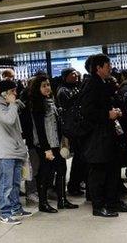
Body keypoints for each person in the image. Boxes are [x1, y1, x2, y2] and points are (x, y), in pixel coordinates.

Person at [82, 54, 127, 217]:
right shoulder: (92, 84)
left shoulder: (103, 83)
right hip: (97, 136)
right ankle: (98, 206)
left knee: (112, 169)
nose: (110, 67)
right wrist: (107, 114)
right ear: (98, 68)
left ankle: (112, 202)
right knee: (99, 172)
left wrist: (114, 111)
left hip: (108, 134)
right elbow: (87, 112)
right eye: (107, 65)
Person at [30, 74, 78, 213]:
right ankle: (43, 203)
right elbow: (39, 129)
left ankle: (62, 200)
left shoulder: (51, 100)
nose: (47, 88)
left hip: (57, 143)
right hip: (46, 145)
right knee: (46, 173)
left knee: (62, 170)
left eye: (48, 85)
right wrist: (46, 149)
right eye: (43, 86)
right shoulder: (37, 104)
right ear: (37, 88)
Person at [0, 79, 32, 225]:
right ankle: (5, 213)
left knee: (15, 183)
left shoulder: (10, 106)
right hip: (6, 153)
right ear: (5, 94)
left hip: (16, 151)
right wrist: (13, 104)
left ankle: (16, 208)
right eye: (13, 92)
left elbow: (18, 129)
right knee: (6, 184)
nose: (16, 94)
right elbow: (9, 120)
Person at [56, 68, 85, 196]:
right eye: (72, 74)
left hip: (78, 126)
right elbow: (69, 106)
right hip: (71, 128)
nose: (75, 75)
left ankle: (77, 182)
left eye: (76, 73)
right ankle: (73, 184)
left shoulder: (76, 87)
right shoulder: (63, 90)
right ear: (65, 77)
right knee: (78, 156)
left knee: (80, 157)